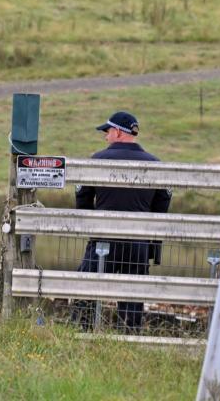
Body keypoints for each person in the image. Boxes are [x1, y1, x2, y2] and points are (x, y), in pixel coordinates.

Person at [73, 111, 171, 332]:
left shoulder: (97, 160)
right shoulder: (154, 163)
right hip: (138, 242)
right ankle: (130, 337)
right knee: (133, 297)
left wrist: (92, 226)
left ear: (117, 132)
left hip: (102, 241)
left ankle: (82, 332)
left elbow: (82, 197)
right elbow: (163, 202)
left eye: (107, 132)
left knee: (86, 288)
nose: (106, 137)